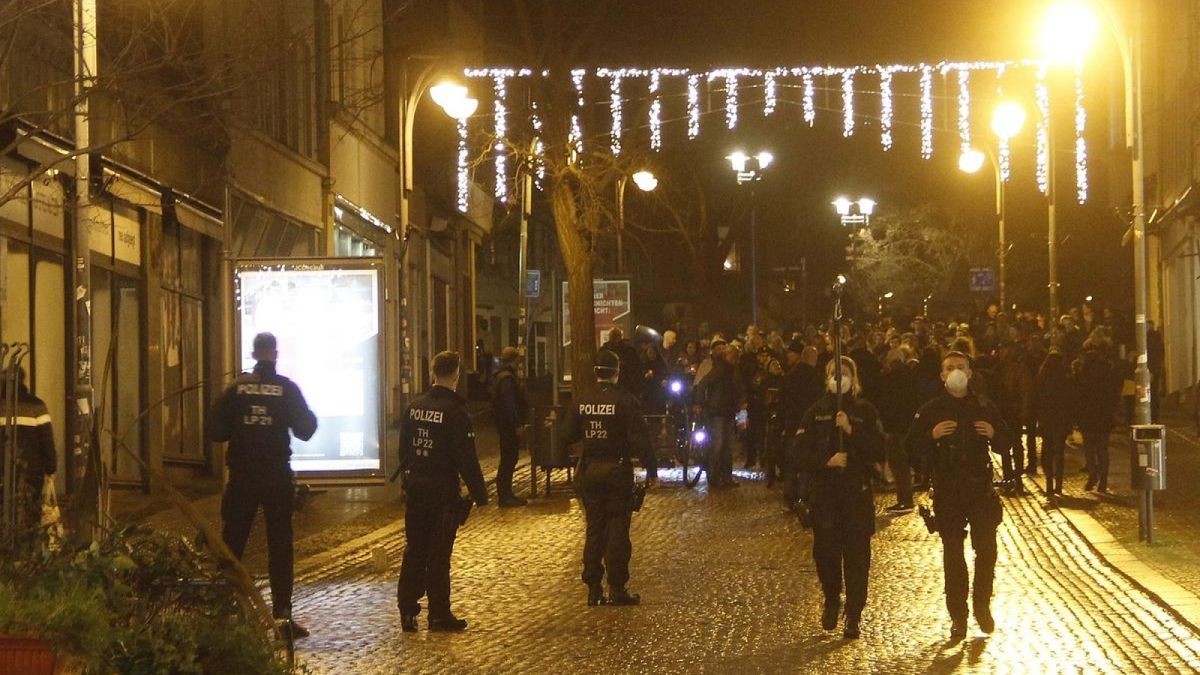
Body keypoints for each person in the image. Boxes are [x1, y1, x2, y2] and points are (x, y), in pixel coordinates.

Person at [209, 332, 317, 638]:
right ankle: (282, 617)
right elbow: (306, 429)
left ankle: (223, 614)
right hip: (275, 476)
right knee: (280, 546)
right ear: (275, 353)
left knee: (232, 544)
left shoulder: (235, 388)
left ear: (254, 353)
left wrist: (240, 426)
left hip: (242, 476)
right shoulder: (286, 389)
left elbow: (215, 430)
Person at [905, 351, 1010, 639]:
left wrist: (993, 434)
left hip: (980, 489)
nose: (955, 372)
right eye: (950, 368)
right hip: (948, 489)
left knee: (986, 551)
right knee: (953, 554)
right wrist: (931, 436)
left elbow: (1006, 442)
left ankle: (982, 606)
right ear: (942, 376)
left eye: (960, 367)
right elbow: (910, 448)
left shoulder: (984, 406)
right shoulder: (931, 410)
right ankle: (958, 616)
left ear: (970, 372)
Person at [397, 351, 489, 632]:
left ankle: (407, 610)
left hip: (416, 489)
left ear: (432, 373)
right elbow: (466, 458)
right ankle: (438, 613)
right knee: (438, 553)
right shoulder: (456, 412)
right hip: (442, 492)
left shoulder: (413, 407)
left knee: (415, 549)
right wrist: (480, 494)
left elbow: (403, 451)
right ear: (456, 375)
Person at [794, 356, 884, 639]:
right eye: (834, 372)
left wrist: (851, 431)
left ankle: (854, 613)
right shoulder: (816, 411)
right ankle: (832, 598)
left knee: (857, 558)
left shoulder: (865, 411)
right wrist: (826, 461)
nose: (839, 377)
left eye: (844, 372)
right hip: (825, 497)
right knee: (827, 554)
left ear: (853, 378)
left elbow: (878, 449)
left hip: (856, 494)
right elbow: (798, 452)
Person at [562, 349, 651, 607]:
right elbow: (640, 438)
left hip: (590, 471)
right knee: (617, 529)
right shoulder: (625, 401)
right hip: (616, 471)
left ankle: (592, 586)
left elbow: (566, 434)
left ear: (595, 373)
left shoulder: (582, 400)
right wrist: (651, 468)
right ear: (617, 372)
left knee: (594, 528)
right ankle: (617, 586)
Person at [0, 366, 56, 550]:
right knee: (31, 510)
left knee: (4, 506)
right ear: (23, 381)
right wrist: (51, 468)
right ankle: (28, 551)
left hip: (3, 469)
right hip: (33, 470)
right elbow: (46, 440)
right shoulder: (37, 405)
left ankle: (6, 549)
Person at [1073, 340, 1120, 493]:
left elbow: (1078, 397)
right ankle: (1103, 480)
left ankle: (1093, 475)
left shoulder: (1084, 375)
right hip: (1104, 417)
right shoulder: (1109, 373)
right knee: (1102, 449)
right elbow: (1114, 395)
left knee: (1089, 448)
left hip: (1088, 418)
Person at [491, 347, 529, 507]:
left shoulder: (500, 376)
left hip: (503, 424)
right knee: (509, 459)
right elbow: (510, 404)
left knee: (508, 458)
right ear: (514, 361)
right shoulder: (507, 379)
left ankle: (506, 493)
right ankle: (505, 495)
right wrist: (517, 424)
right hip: (508, 426)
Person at [1035, 351, 1073, 498]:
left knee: (1047, 452)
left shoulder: (1041, 378)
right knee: (1059, 452)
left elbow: (1037, 399)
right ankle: (1059, 484)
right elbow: (1071, 402)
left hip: (1046, 420)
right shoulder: (1065, 379)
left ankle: (1050, 482)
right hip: (1061, 420)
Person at [601, 327, 643, 397]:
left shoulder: (605, 350)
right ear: (620, 337)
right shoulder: (629, 350)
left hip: (609, 384)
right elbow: (636, 368)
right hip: (627, 384)